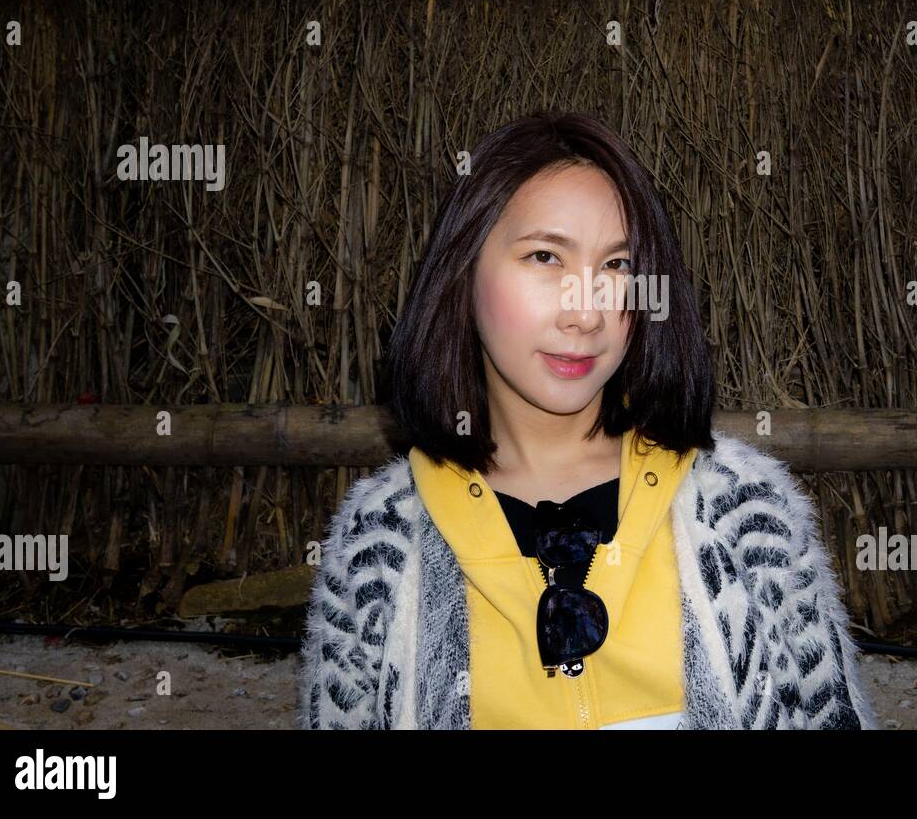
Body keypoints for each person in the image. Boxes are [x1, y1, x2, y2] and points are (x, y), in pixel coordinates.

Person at [299, 110, 877, 729]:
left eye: (617, 266)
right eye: (546, 256)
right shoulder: (382, 543)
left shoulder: (745, 516)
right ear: (462, 273)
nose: (586, 314)